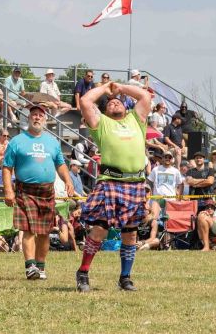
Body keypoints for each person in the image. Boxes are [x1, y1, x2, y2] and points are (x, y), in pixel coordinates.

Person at [75, 79, 152, 292]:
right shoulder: (101, 124)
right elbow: (85, 101)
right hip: (110, 182)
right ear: (105, 110)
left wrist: (121, 88)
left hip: (135, 183)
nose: (114, 103)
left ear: (126, 106)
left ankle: (125, 278)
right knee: (99, 229)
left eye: (118, 101)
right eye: (110, 103)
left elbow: (145, 96)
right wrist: (106, 88)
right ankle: (83, 272)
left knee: (130, 233)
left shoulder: (136, 119)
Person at [2, 103, 76, 280]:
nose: (37, 117)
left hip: (46, 191)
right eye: (34, 114)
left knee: (44, 231)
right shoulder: (17, 141)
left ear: (45, 119)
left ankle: (41, 267)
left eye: (40, 115)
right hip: (24, 190)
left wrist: (68, 180)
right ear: (29, 118)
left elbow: (60, 164)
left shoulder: (52, 142)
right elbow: (6, 168)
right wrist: (8, 190)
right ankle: (30, 267)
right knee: (27, 230)